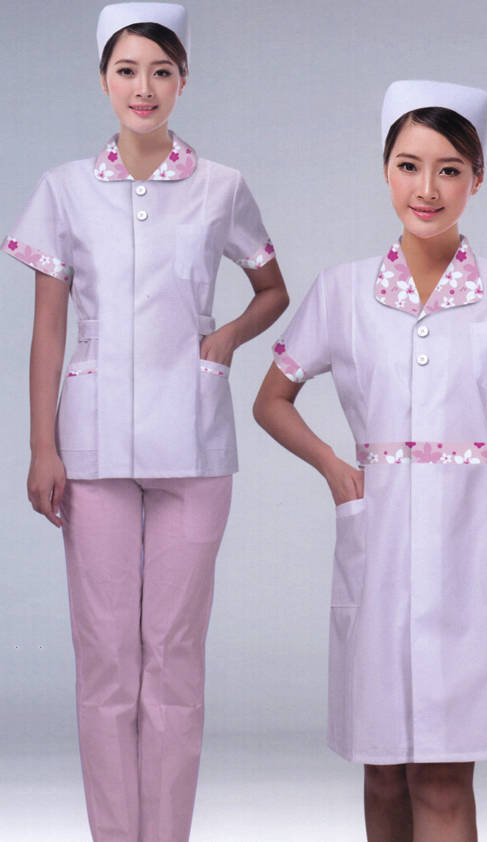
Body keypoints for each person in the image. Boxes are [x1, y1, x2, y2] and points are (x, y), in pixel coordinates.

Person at [253, 79, 487, 842]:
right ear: (384, 171)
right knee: (382, 769)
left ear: (478, 177)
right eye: (408, 166)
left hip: (473, 549)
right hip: (378, 542)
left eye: (449, 169)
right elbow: (271, 400)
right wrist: (335, 469)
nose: (427, 188)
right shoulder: (341, 292)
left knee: (441, 773)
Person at [2, 3, 288, 840]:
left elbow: (271, 288)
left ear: (183, 81)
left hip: (193, 446)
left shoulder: (221, 187)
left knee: (173, 659)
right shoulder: (63, 190)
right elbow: (48, 328)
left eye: (161, 71)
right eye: (127, 70)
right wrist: (42, 446)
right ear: (102, 80)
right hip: (90, 450)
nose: (144, 87)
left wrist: (222, 341)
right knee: (106, 663)